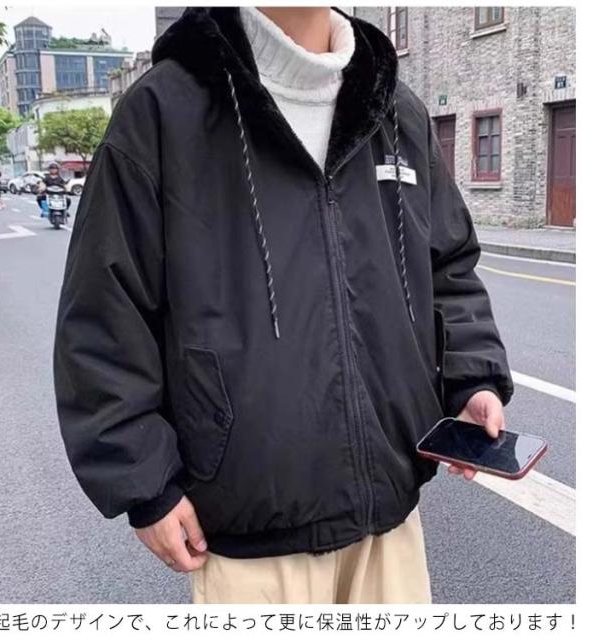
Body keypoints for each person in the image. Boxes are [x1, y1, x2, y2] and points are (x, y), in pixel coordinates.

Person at [53, 7, 514, 604]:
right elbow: (104, 313)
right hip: (249, 539)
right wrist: (145, 486)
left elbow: (447, 266)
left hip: (390, 519)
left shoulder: (395, 110)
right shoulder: (165, 111)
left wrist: (471, 379)